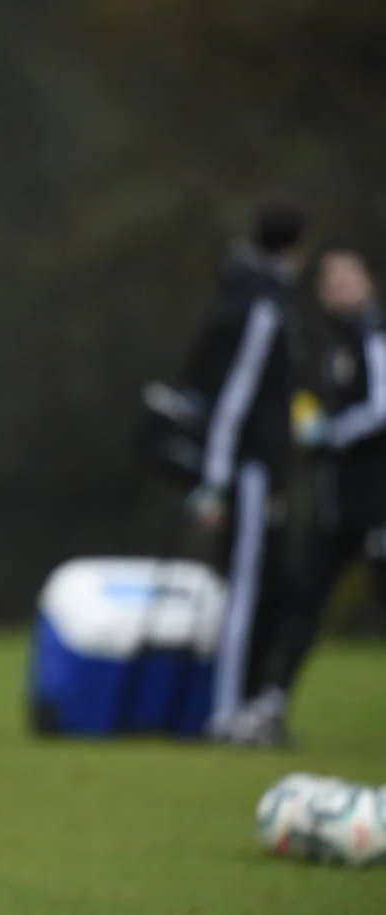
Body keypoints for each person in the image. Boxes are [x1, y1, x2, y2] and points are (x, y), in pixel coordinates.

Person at [234, 249, 386, 745]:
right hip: (337, 502)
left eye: (347, 279)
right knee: (306, 600)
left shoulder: (373, 336)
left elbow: (381, 408)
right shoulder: (333, 343)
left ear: (367, 284)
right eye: (329, 281)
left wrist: (329, 433)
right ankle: (270, 705)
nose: (337, 289)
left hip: (376, 500)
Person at [180, 201, 309, 741]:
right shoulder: (260, 303)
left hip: (256, 466)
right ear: (299, 245)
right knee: (247, 590)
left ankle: (246, 701)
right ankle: (228, 712)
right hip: (248, 469)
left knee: (265, 587)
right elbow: (234, 398)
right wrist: (213, 480)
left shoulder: (244, 290)